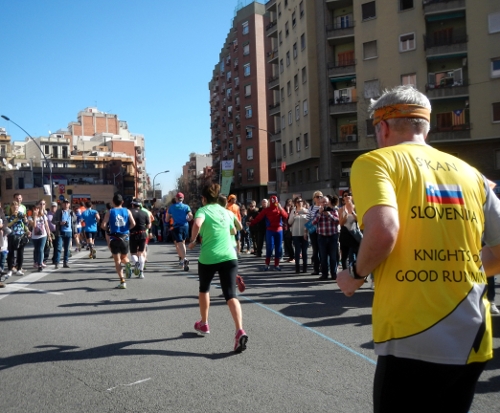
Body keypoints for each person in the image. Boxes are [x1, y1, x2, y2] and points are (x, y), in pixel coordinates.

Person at [336, 85, 500, 413]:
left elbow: (383, 231)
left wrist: (354, 275)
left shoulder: (375, 162)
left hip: (413, 335)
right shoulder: (472, 174)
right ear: (425, 126)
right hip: (473, 335)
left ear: (381, 127)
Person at [187, 183, 248, 353]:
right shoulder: (227, 211)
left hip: (209, 257)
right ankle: (239, 330)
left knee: (204, 289)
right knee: (230, 294)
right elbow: (237, 229)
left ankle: (204, 323)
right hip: (229, 256)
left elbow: (197, 224)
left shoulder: (203, 210)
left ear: (204, 199)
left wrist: (193, 241)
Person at [101, 193, 136, 289]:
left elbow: (103, 225)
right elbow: (133, 223)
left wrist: (108, 230)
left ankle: (122, 281)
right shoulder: (127, 211)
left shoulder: (110, 212)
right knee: (124, 257)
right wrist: (127, 229)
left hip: (114, 238)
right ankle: (128, 264)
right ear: (122, 202)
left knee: (117, 261)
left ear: (113, 202)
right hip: (125, 237)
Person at [249, 195, 288, 271]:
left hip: (278, 230)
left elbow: (286, 216)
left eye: (275, 201)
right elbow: (258, 218)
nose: (274, 203)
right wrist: (252, 223)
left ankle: (276, 264)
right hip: (270, 230)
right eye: (273, 201)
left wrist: (281, 209)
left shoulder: (279, 209)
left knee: (278, 248)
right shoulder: (266, 210)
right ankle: (267, 264)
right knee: (269, 248)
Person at [312, 195, 340, 281]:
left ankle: (334, 274)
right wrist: (320, 214)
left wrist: (329, 215)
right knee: (323, 257)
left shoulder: (333, 210)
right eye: (322, 202)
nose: (324, 203)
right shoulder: (317, 212)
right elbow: (313, 222)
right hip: (322, 237)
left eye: (325, 202)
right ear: (320, 203)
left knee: (333, 257)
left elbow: (337, 221)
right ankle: (324, 274)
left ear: (328, 202)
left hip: (332, 236)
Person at [166, 192, 193, 270]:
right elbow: (191, 216)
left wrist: (171, 217)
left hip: (177, 227)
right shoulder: (186, 206)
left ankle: (184, 259)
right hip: (185, 226)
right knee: (182, 243)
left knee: (179, 243)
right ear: (183, 199)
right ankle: (181, 260)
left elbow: (167, 219)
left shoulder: (172, 207)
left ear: (176, 198)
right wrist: (188, 219)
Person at [4, 201, 30, 278]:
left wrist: (26, 228)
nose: (15, 207)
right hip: (12, 236)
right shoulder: (8, 217)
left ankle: (19, 269)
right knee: (11, 254)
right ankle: (10, 270)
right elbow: (7, 225)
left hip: (21, 235)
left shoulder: (20, 215)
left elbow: (24, 224)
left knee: (20, 253)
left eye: (17, 206)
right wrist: (14, 220)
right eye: (14, 206)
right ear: (11, 208)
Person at [129, 198, 151, 279]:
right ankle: (141, 273)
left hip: (133, 234)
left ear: (132, 204)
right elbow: (149, 225)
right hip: (143, 234)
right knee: (141, 253)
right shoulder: (145, 213)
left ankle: (136, 263)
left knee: (133, 253)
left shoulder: (130, 212)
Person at [339, 191, 360, 270]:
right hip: (345, 234)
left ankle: (356, 272)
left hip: (354, 234)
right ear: (343, 198)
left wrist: (353, 213)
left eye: (349, 195)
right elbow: (340, 223)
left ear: (352, 197)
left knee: (354, 254)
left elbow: (360, 220)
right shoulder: (341, 209)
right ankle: (345, 272)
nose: (347, 196)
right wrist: (345, 215)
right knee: (344, 256)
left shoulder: (356, 207)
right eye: (345, 195)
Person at [53, 199, 77, 269]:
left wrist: (75, 232)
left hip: (69, 231)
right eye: (64, 203)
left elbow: (75, 222)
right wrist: (59, 223)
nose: (66, 204)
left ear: (69, 204)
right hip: (60, 232)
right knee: (58, 248)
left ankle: (65, 262)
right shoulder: (58, 212)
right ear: (62, 204)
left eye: (67, 203)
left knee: (67, 248)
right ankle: (57, 263)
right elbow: (53, 221)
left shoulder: (71, 212)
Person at [288, 196, 309, 273]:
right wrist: (294, 215)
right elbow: (289, 222)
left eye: (301, 201)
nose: (300, 203)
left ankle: (305, 268)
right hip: (296, 233)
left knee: (304, 251)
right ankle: (297, 267)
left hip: (305, 233)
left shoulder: (306, 211)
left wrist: (306, 231)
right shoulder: (293, 211)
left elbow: (310, 222)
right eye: (298, 202)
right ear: (295, 203)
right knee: (297, 250)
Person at [29, 199, 51, 271]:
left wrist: (49, 235)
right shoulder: (30, 217)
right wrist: (35, 217)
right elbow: (34, 226)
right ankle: (36, 262)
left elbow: (47, 226)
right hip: (35, 236)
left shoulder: (43, 216)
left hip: (43, 235)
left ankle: (40, 263)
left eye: (37, 209)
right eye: (35, 209)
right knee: (37, 249)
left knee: (41, 249)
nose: (36, 210)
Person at [307, 191, 323, 275]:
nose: (319, 198)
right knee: (315, 250)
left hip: (323, 230)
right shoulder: (311, 208)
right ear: (314, 198)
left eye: (321, 196)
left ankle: (323, 267)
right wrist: (306, 232)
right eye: (317, 197)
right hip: (313, 231)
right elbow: (308, 220)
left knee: (322, 250)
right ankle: (316, 269)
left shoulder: (324, 207)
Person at [283, 198, 295, 262]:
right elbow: (284, 218)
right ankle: (291, 256)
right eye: (287, 203)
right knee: (287, 243)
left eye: (290, 204)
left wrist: (288, 211)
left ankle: (293, 257)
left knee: (294, 243)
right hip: (286, 228)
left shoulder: (293, 209)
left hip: (293, 228)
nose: (288, 205)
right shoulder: (284, 209)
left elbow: (290, 218)